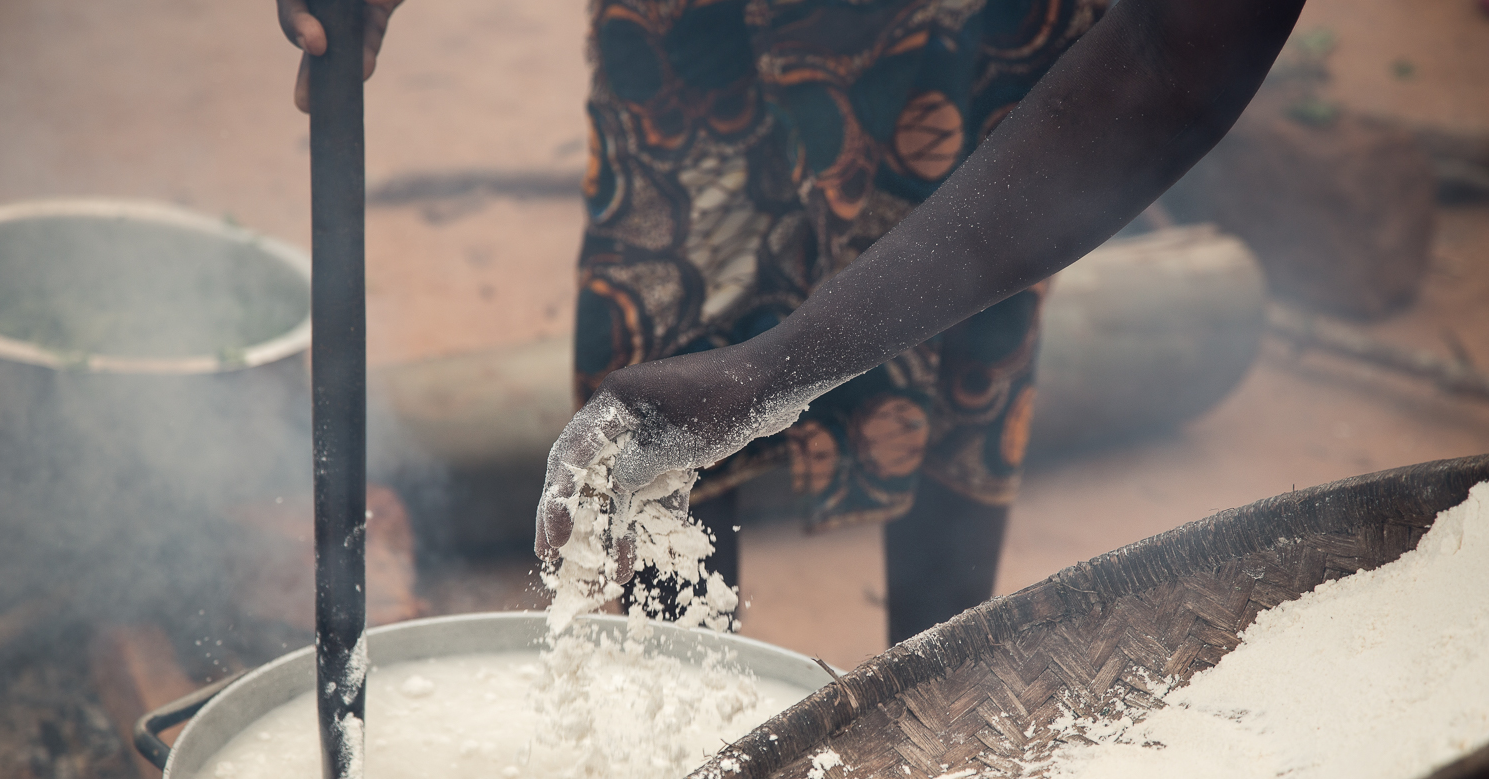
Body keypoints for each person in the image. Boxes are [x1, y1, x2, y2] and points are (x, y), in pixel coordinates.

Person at [279, 0, 1307, 643]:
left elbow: (1174, 58)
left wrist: (773, 372)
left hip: (964, 22)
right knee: (672, 305)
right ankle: (676, 736)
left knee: (959, 341)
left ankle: (926, 728)